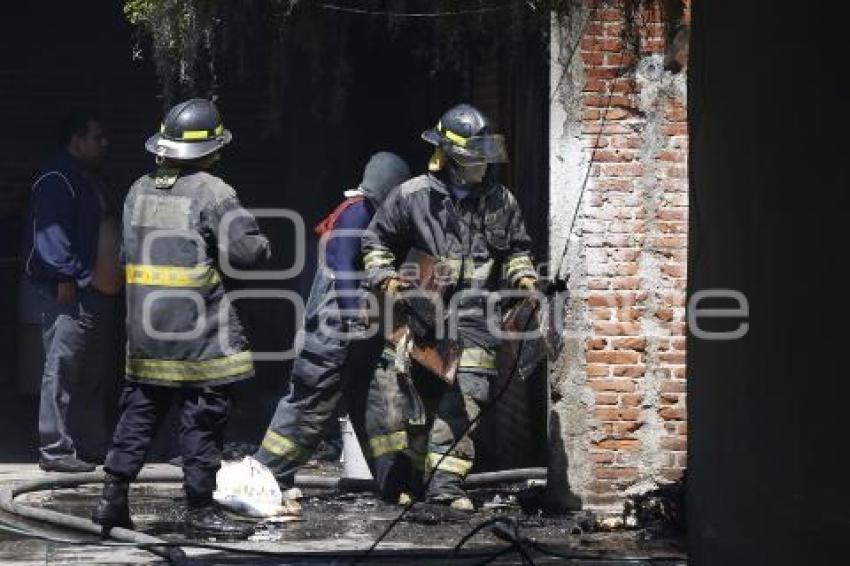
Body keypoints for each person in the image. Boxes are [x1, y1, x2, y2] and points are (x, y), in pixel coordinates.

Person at [92, 98, 270, 539]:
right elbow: (248, 253)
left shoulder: (138, 189)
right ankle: (200, 507)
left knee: (138, 414)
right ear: (210, 148)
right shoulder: (213, 191)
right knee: (203, 419)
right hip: (199, 337)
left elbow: (124, 254)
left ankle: (111, 498)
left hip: (146, 335)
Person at [361, 103, 538, 511]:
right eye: (473, 160)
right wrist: (386, 279)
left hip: (476, 319)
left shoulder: (501, 202)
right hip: (420, 314)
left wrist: (525, 277)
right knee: (410, 402)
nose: (481, 168)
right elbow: (375, 243)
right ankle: (402, 481)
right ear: (449, 158)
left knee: (465, 401)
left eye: (484, 160)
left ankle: (445, 487)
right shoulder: (411, 197)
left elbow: (515, 251)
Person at [254, 152, 411, 496]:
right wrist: (354, 311)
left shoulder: (373, 216)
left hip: (361, 334)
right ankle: (265, 478)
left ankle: (397, 483)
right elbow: (342, 263)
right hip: (334, 334)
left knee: (377, 408)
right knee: (310, 404)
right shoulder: (357, 212)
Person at [22, 108, 122, 472]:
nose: (104, 143)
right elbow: (50, 235)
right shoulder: (57, 178)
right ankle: (55, 449)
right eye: (97, 137)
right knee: (62, 368)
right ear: (76, 140)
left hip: (97, 295)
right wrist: (66, 276)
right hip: (70, 292)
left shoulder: (89, 178)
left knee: (92, 373)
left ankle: (90, 443)